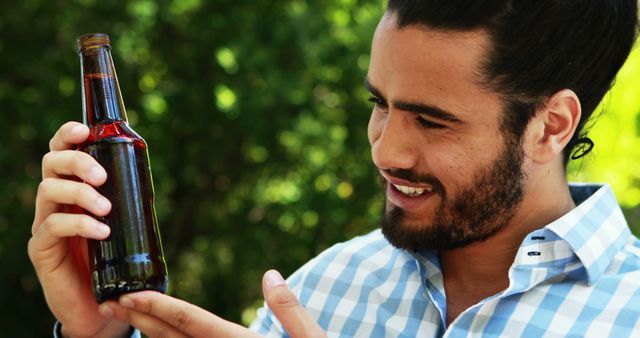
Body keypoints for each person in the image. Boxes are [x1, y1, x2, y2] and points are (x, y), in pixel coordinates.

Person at [29, 0, 640, 337]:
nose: (386, 151)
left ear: (551, 124)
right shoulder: (324, 287)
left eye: (431, 121)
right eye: (379, 104)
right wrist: (99, 336)